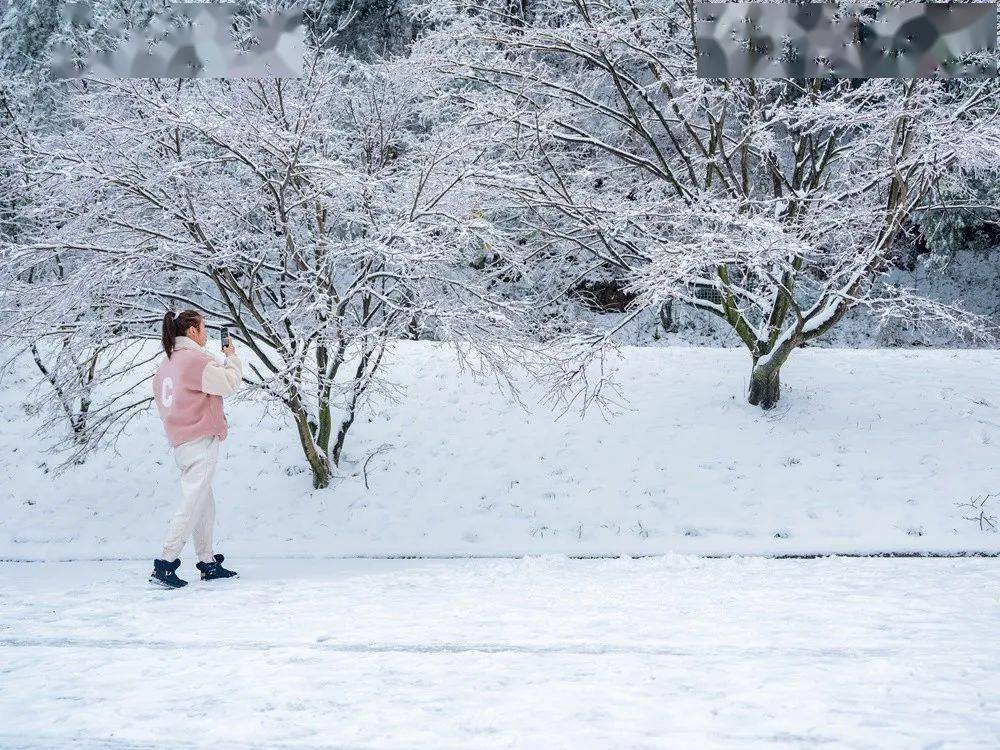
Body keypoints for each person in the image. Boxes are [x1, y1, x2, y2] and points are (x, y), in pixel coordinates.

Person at [149, 309, 243, 588]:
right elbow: (229, 383)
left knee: (203, 503)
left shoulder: (166, 365)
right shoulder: (195, 361)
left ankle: (207, 562)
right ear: (192, 331)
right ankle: (165, 563)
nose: (206, 335)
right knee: (192, 503)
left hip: (181, 441)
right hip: (200, 438)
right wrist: (232, 357)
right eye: (204, 329)